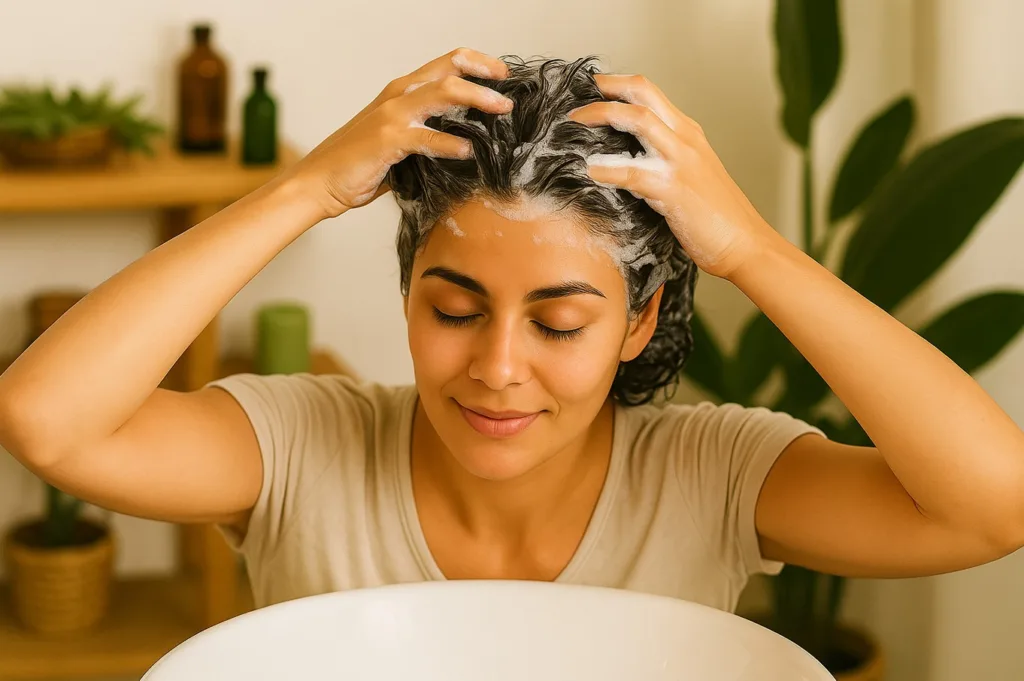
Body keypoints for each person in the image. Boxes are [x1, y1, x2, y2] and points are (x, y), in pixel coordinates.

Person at [1, 49, 1022, 614]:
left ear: (639, 321)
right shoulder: (304, 448)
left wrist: (753, 252)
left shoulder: (711, 475)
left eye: (560, 322)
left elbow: (991, 508)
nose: (495, 368)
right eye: (453, 309)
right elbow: (50, 422)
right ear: (407, 298)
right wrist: (305, 187)